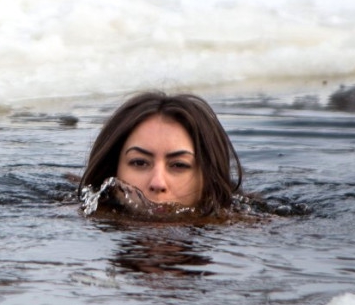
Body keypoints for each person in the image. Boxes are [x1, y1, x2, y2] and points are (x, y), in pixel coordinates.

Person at [79, 91, 243, 217]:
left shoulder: (246, 226)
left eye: (179, 165)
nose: (157, 184)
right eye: (139, 163)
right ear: (113, 169)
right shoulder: (78, 216)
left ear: (208, 178)